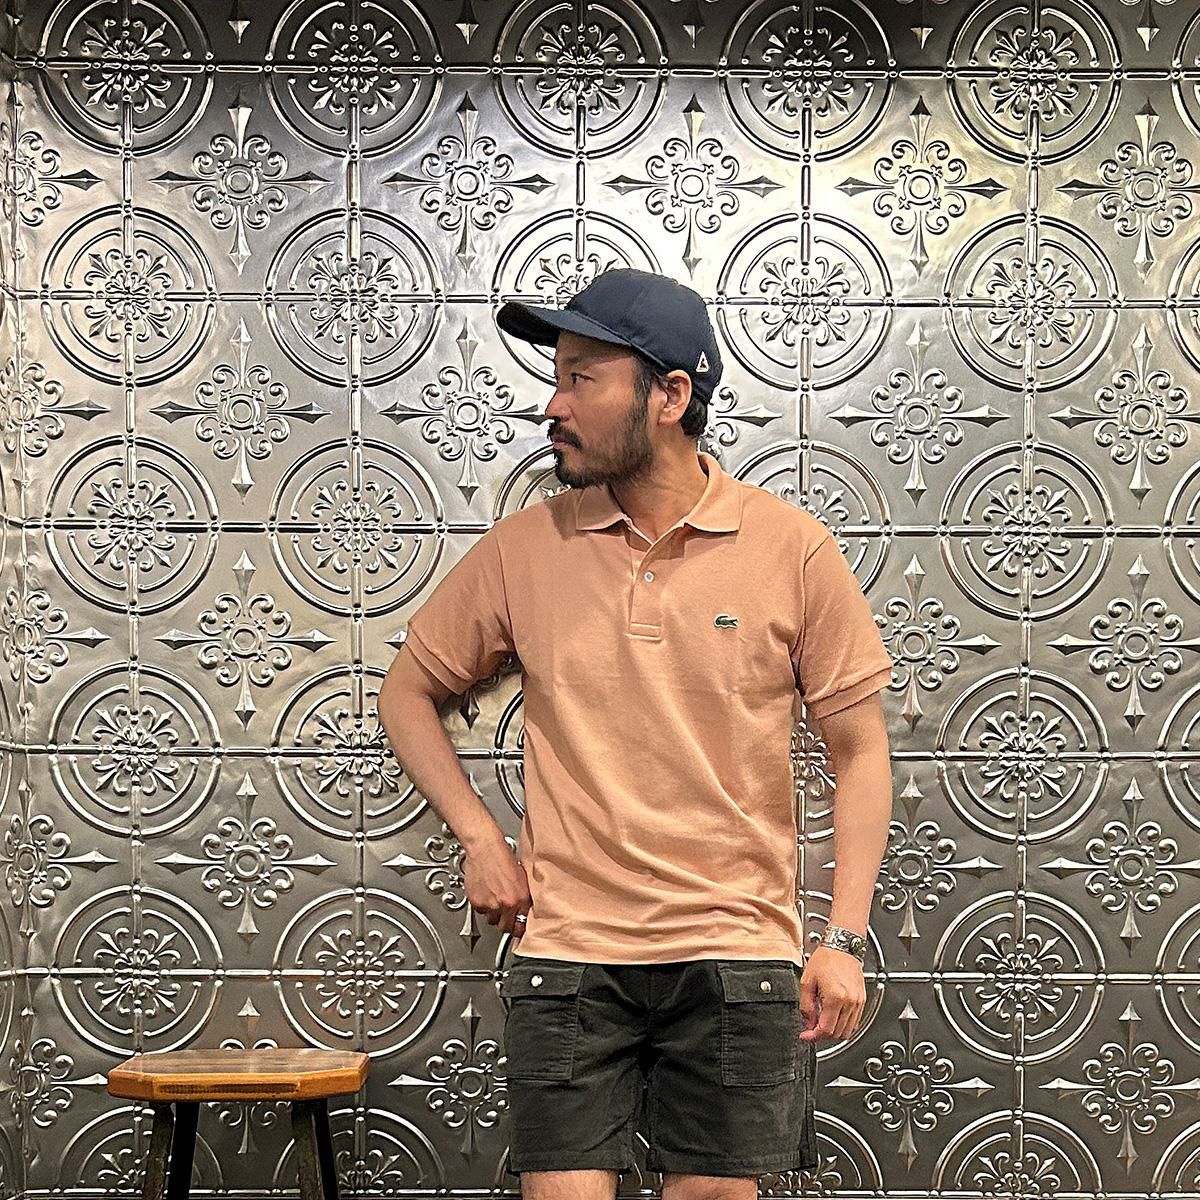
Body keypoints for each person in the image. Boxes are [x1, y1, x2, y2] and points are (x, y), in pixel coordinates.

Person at [378, 267, 895, 1200]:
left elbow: (859, 753)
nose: (554, 404)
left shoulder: (792, 549)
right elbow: (407, 693)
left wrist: (844, 940)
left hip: (737, 954)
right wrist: (479, 839)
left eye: (582, 378)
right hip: (569, 954)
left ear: (670, 395)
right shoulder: (526, 548)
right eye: (557, 377)